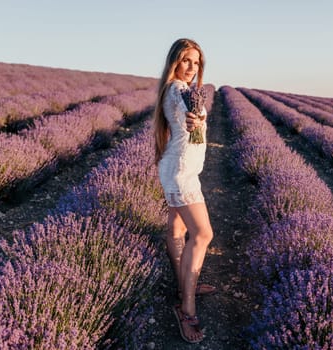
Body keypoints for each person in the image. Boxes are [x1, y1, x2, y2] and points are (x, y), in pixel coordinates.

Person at [153, 38, 215, 343]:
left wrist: (195, 117)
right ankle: (186, 308)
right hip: (181, 174)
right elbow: (189, 117)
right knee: (203, 235)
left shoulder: (179, 90)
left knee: (176, 230)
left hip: (180, 169)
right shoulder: (178, 91)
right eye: (186, 60)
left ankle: (184, 285)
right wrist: (194, 120)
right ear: (174, 62)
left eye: (196, 62)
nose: (192, 68)